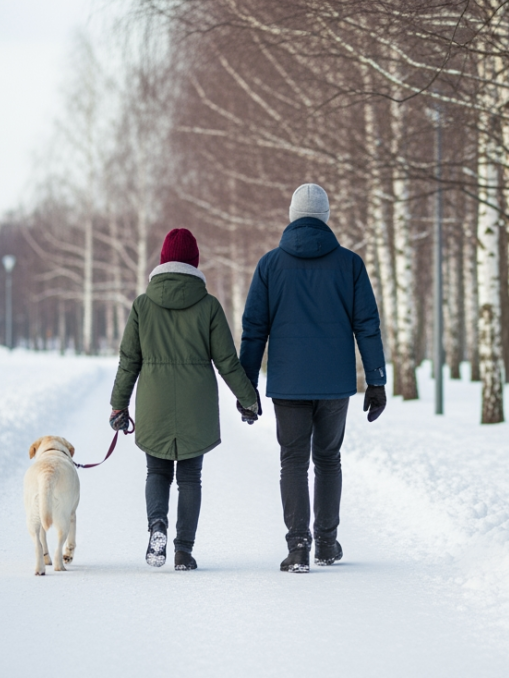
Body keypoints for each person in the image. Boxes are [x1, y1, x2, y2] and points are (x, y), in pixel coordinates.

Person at [239, 183, 387, 573]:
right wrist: (376, 380)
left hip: (288, 384)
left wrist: (246, 385)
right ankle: (326, 542)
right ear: (325, 216)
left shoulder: (270, 265)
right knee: (328, 460)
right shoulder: (350, 264)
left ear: (291, 215)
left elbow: (254, 328)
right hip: (335, 383)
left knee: (292, 462)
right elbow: (367, 325)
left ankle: (298, 547)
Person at [110, 228, 260, 571]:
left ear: (161, 260)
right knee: (190, 478)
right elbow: (227, 361)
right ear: (195, 261)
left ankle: (157, 525)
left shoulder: (142, 305)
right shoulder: (208, 306)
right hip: (197, 406)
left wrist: (119, 405)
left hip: (154, 403)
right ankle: (183, 551)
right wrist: (248, 399)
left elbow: (128, 360)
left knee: (156, 472)